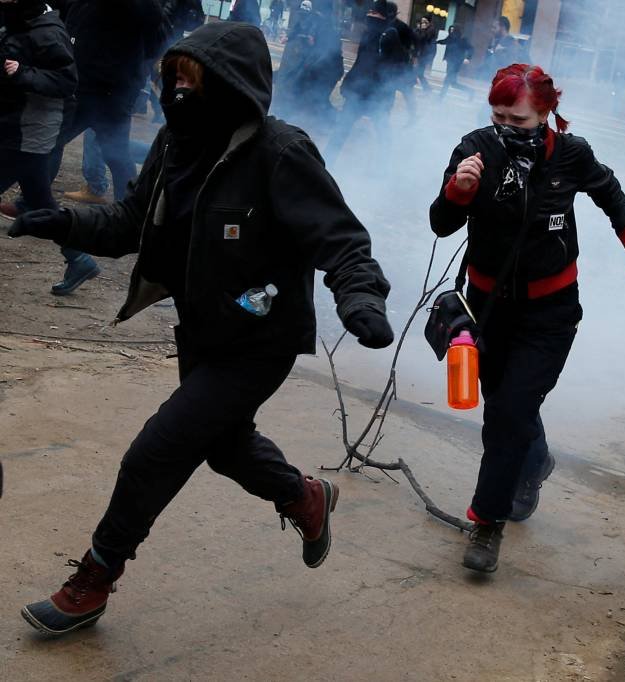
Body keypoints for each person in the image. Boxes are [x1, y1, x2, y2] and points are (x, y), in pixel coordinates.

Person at [10, 21, 394, 636]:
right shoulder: (174, 143)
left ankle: (96, 577)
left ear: (230, 86)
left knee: (156, 451)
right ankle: (305, 496)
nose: (178, 93)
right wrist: (59, 222)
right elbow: (128, 223)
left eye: (192, 81)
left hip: (260, 342)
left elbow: (342, 242)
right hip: (201, 331)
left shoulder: (281, 152)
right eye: (173, 80)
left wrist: (361, 299)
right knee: (223, 447)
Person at [429, 64, 625, 573]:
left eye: (521, 120)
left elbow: (608, 190)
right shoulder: (476, 147)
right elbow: (441, 224)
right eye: (499, 115)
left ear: (547, 113)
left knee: (507, 416)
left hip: (550, 312)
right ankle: (536, 461)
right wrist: (458, 190)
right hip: (487, 310)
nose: (507, 126)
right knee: (506, 407)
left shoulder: (570, 152)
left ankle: (487, 523)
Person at [39, 0, 165, 295]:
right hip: (84, 80)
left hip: (111, 86)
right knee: (57, 142)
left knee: (111, 151)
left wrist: (128, 70)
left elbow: (155, 36)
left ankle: (132, 216)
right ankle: (36, 199)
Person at [0, 0, 77, 237]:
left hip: (30, 129)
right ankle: (78, 257)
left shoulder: (48, 33)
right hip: (16, 124)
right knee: (41, 201)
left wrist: (22, 73)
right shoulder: (15, 26)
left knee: (40, 199)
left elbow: (66, 81)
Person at [323, 0, 394, 163]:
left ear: (383, 16)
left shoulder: (389, 35)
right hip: (358, 92)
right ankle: (327, 161)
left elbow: (394, 68)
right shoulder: (368, 34)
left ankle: (384, 167)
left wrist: (385, 95)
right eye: (369, 12)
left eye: (374, 13)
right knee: (342, 128)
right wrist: (349, 81)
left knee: (382, 131)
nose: (370, 15)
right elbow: (360, 62)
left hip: (377, 95)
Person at [437, 24, 472, 100]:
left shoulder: (463, 40)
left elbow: (471, 49)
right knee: (453, 84)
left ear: (457, 30)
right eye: (450, 30)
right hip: (450, 62)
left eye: (453, 30)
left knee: (447, 80)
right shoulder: (450, 38)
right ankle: (471, 91)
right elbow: (445, 44)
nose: (451, 31)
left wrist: (468, 58)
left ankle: (440, 98)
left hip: (456, 63)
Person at [413, 15, 437, 92]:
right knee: (418, 73)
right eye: (422, 21)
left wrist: (422, 30)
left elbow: (422, 39)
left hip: (425, 55)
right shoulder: (421, 29)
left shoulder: (431, 31)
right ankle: (427, 90)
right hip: (421, 54)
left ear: (429, 22)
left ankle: (427, 90)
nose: (423, 23)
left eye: (425, 21)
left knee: (418, 73)